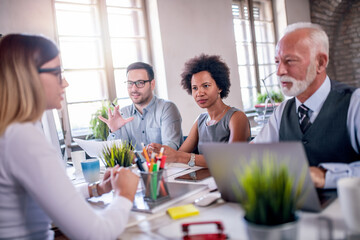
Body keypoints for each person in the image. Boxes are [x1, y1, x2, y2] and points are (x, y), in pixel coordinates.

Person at [0, 34, 139, 239]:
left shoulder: (11, 132)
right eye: (57, 73)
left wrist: (97, 189)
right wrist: (125, 194)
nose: (65, 83)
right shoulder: (23, 138)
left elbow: (51, 196)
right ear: (28, 76)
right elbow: (96, 234)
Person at [252, 22, 360, 189]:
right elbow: (254, 156)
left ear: (321, 63)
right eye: (277, 62)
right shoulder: (282, 112)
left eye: (290, 61)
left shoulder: (355, 103)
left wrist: (325, 175)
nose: (280, 71)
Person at [149, 54, 251, 167]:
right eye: (195, 88)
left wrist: (181, 157)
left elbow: (231, 159)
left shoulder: (236, 117)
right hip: (205, 182)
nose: (199, 93)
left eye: (206, 86)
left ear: (220, 87)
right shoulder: (201, 120)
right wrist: (163, 151)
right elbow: (179, 154)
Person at [99, 62, 183, 151]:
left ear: (152, 84)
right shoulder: (124, 113)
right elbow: (117, 153)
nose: (134, 89)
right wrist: (114, 130)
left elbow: (170, 150)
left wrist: (134, 157)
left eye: (140, 83)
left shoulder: (167, 108)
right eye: (130, 83)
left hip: (165, 165)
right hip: (137, 165)